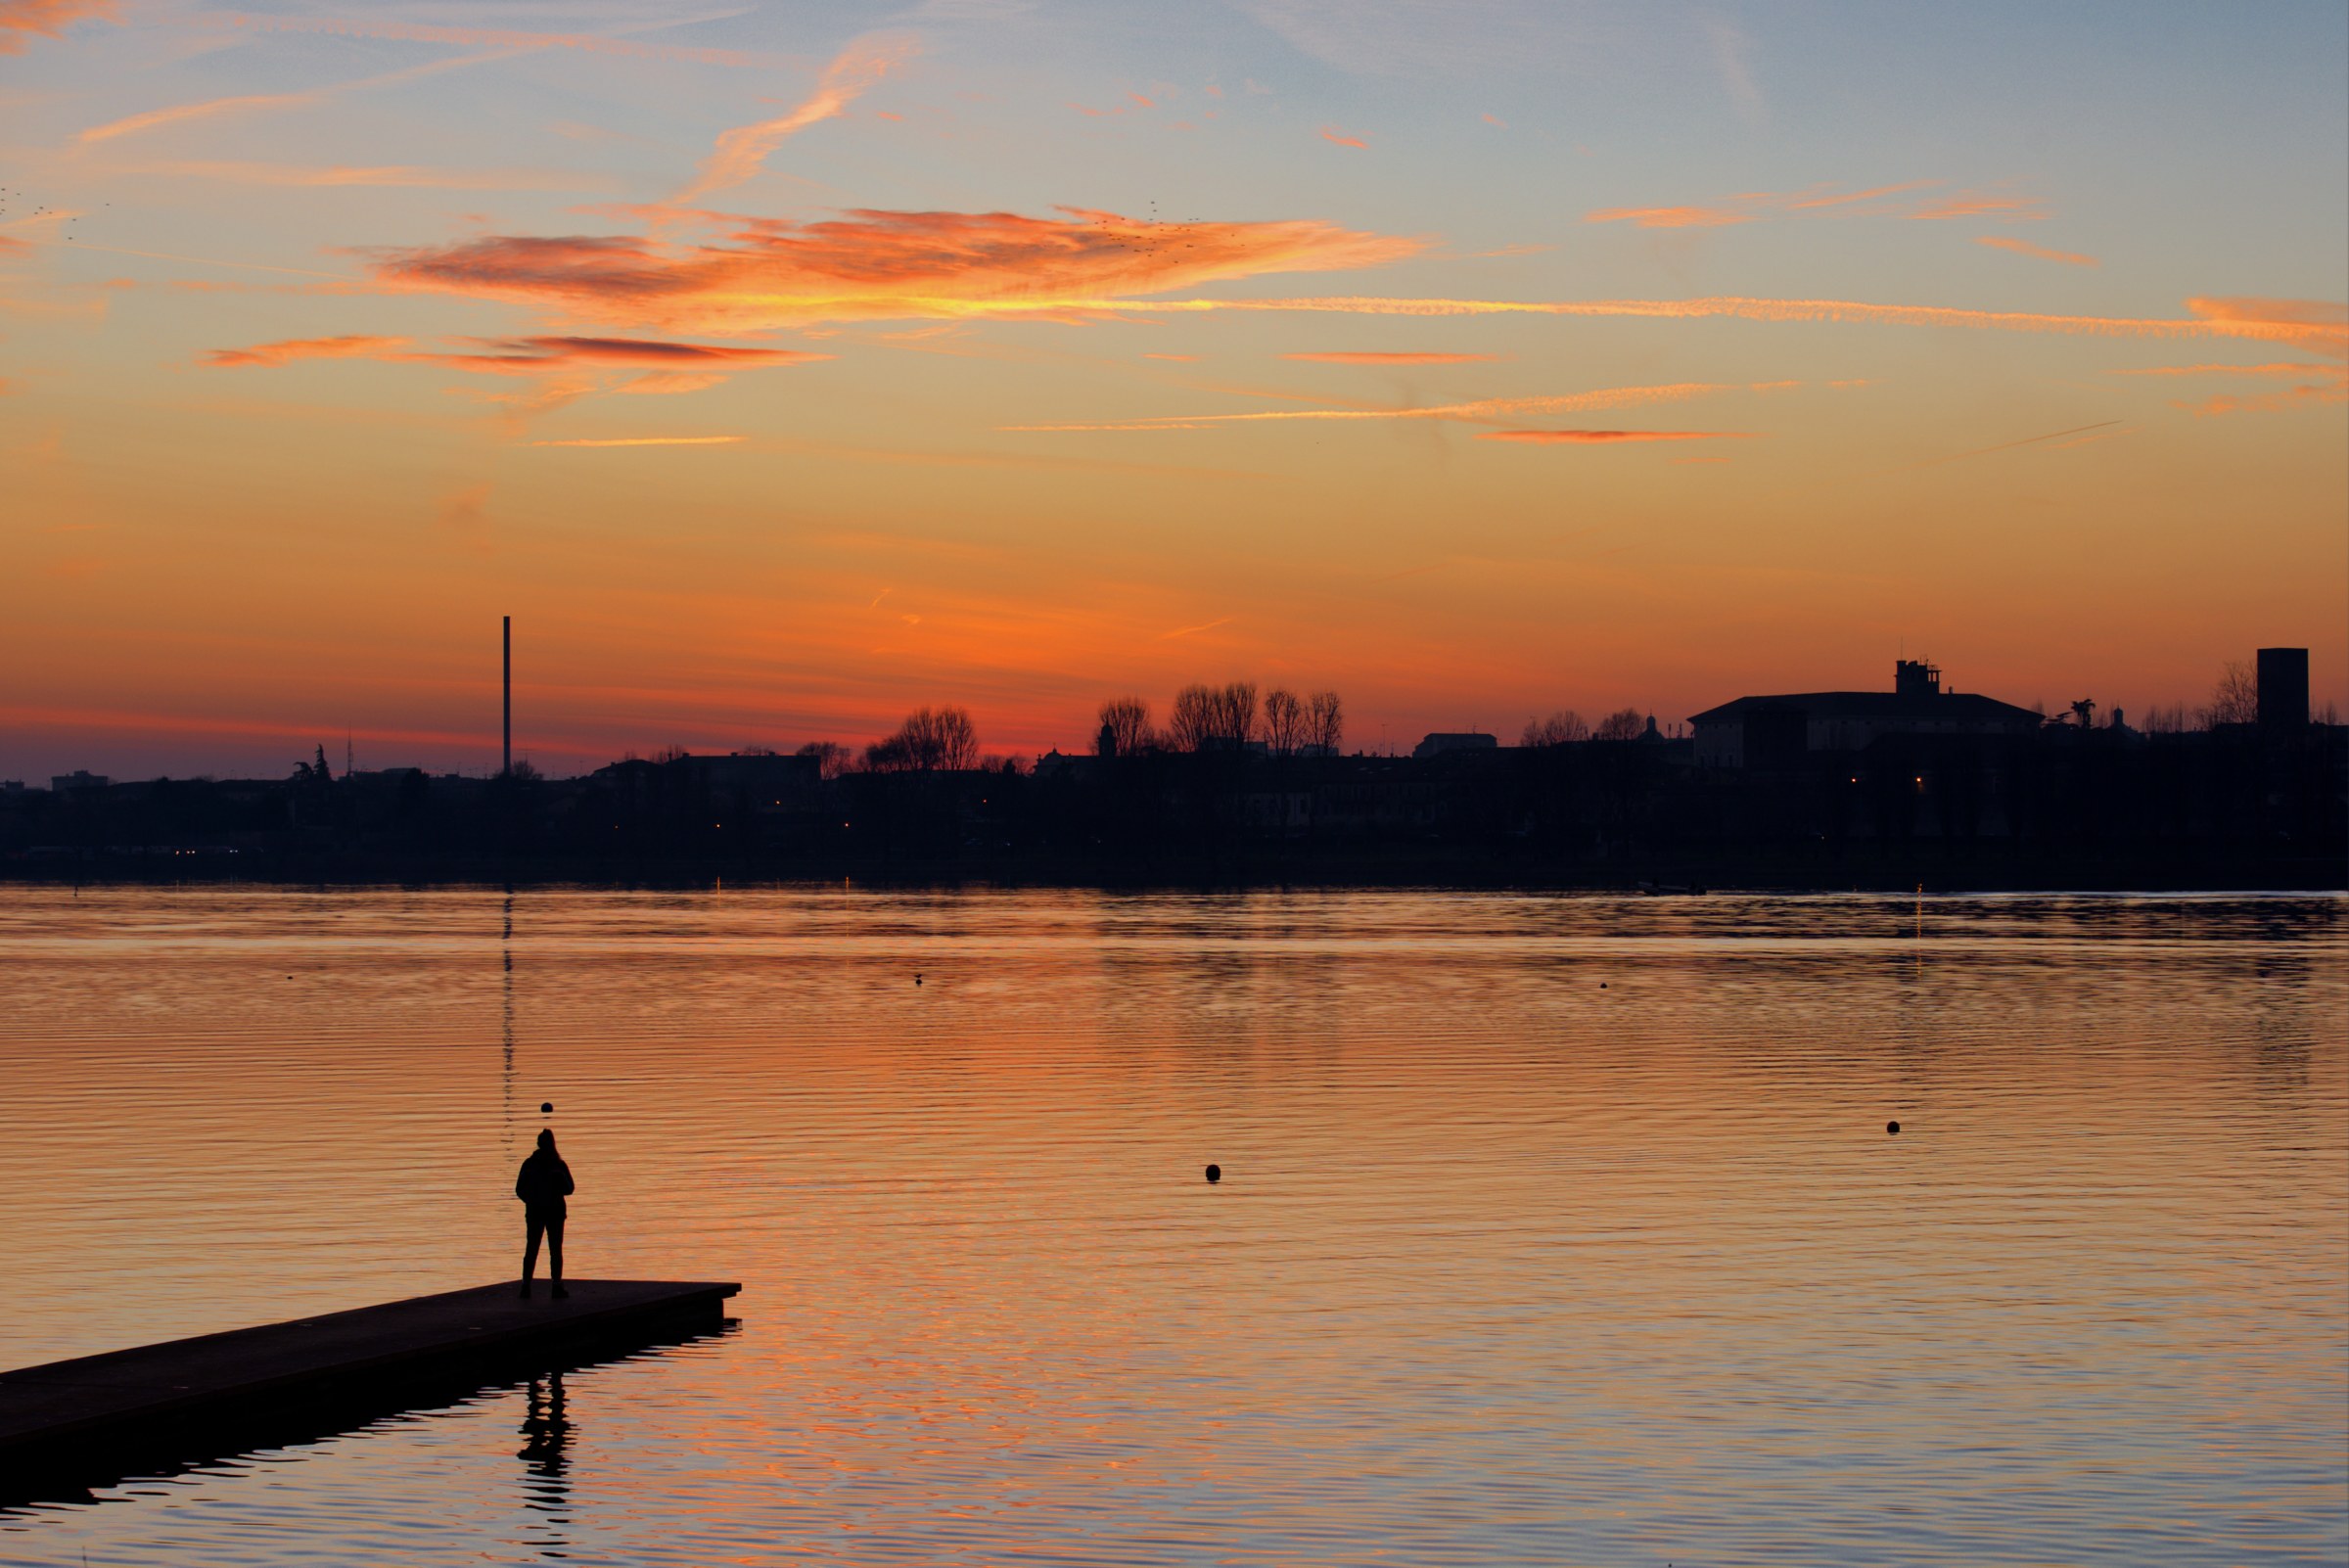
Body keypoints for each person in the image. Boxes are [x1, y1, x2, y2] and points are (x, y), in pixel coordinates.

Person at [515, 1129, 575, 1299]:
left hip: (538, 1212)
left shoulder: (530, 1164)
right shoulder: (557, 1165)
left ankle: (526, 1286)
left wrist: (531, 1200)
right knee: (554, 1249)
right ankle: (555, 1285)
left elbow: (519, 1189)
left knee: (532, 1248)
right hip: (552, 1212)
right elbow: (570, 1189)